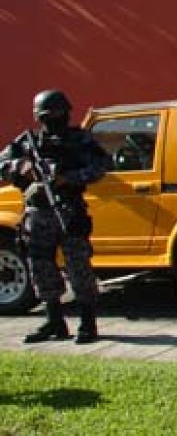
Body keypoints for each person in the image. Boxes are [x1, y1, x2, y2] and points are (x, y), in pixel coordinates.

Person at [0, 90, 111, 344]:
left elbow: (101, 166)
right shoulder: (27, 142)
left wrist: (67, 178)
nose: (54, 120)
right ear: (39, 117)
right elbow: (1, 164)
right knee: (40, 267)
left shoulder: (80, 140)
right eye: (48, 115)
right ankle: (54, 321)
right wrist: (20, 166)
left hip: (69, 211)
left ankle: (87, 323)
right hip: (38, 213)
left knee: (78, 268)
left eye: (58, 114)